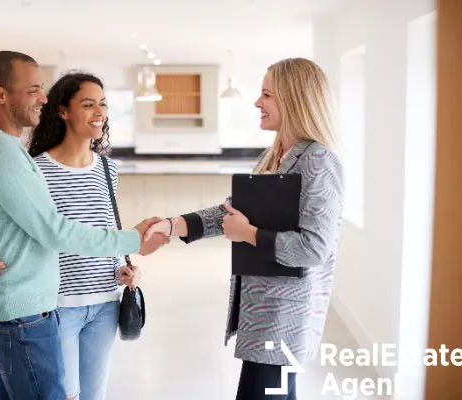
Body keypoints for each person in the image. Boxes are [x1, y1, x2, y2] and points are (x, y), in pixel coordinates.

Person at [0, 51, 167, 400]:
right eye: (88, 104)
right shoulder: (19, 159)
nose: (41, 96)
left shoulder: (104, 169)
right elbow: (51, 230)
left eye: (102, 104)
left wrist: (122, 264)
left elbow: (8, 222)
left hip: (99, 299)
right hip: (52, 303)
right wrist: (130, 240)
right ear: (64, 110)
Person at [145, 57, 344, 400]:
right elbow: (229, 213)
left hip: (284, 321)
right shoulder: (275, 156)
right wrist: (174, 224)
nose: (257, 103)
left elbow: (314, 249)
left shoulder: (319, 161)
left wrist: (249, 234)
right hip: (263, 315)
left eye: (266, 95)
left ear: (293, 99)